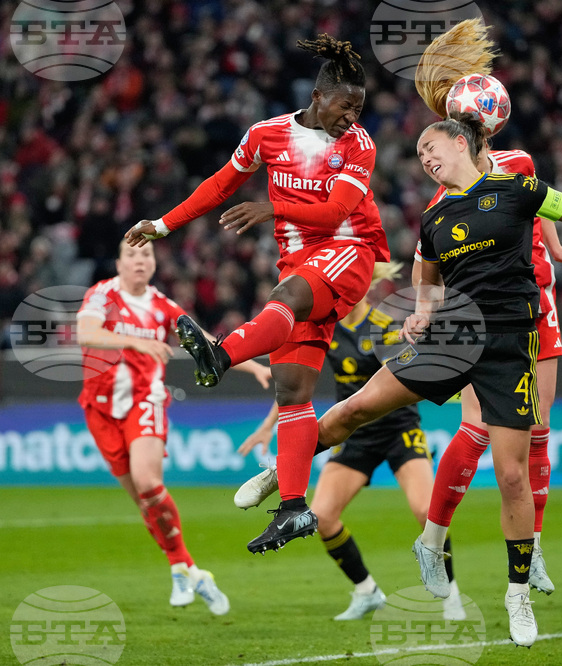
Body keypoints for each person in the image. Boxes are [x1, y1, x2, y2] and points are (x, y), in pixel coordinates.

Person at [315, 114, 562, 647]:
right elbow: (426, 283)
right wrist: (420, 314)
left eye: (431, 147)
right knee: (361, 404)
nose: (425, 158)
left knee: (511, 476)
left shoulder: (518, 189)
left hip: (509, 349)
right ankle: (283, 473)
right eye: (419, 153)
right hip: (451, 341)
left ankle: (516, 594)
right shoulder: (434, 218)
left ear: (461, 143)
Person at [125, 35, 390, 555]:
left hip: (348, 251)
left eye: (359, 109)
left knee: (286, 296)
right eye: (345, 105)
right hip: (301, 260)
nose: (352, 117)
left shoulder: (358, 146)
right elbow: (221, 184)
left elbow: (336, 215)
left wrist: (272, 210)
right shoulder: (266, 135)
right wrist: (162, 224)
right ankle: (293, 508)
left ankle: (220, 355)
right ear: (318, 96)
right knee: (292, 392)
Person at [409, 18, 562, 597]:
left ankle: (530, 549)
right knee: (476, 427)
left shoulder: (521, 164)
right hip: (482, 311)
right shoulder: (444, 192)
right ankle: (433, 537)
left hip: (537, 300)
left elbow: (541, 213)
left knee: (539, 431)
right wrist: (427, 310)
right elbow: (424, 257)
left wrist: (560, 251)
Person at [235, 263, 467, 621]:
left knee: (426, 512)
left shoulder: (386, 324)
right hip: (352, 435)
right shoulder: (327, 328)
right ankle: (366, 591)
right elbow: (295, 386)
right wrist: (269, 426)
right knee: (323, 517)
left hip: (398, 430)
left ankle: (450, 595)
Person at [77, 240, 271, 614]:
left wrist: (253, 366)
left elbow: (206, 344)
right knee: (145, 505)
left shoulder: (163, 307)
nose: (139, 261)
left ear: (153, 264)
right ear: (119, 262)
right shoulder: (102, 295)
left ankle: (182, 571)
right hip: (99, 408)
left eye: (146, 255)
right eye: (131, 255)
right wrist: (134, 341)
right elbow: (87, 334)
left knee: (149, 483)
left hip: (145, 401)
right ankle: (188, 570)